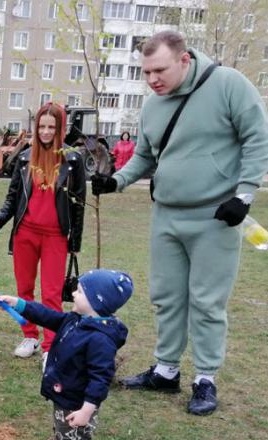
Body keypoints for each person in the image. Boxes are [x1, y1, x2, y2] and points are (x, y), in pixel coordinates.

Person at [91, 30, 268, 416]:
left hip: (216, 215)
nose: (152, 79)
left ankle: (205, 378)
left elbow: (258, 137)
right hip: (167, 214)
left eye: (160, 70)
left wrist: (244, 194)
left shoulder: (228, 85)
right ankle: (166, 369)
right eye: (146, 72)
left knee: (206, 301)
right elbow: (144, 157)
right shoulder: (154, 106)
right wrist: (116, 180)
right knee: (167, 296)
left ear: (184, 59)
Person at [0, 269, 133, 440]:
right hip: (65, 399)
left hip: (78, 406)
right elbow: (48, 316)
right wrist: (20, 305)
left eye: (80, 291)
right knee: (62, 438)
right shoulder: (76, 319)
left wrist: (87, 410)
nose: (73, 293)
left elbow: (100, 379)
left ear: (97, 301)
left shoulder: (100, 340)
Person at [0, 102, 86, 369]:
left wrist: (74, 242)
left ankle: (50, 346)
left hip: (56, 236)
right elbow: (13, 197)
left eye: (51, 127)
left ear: (61, 128)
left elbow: (78, 205)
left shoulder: (73, 159)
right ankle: (29, 336)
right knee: (24, 290)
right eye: (41, 126)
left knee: (52, 293)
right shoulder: (24, 158)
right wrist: (0, 218)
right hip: (26, 234)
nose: (45, 132)